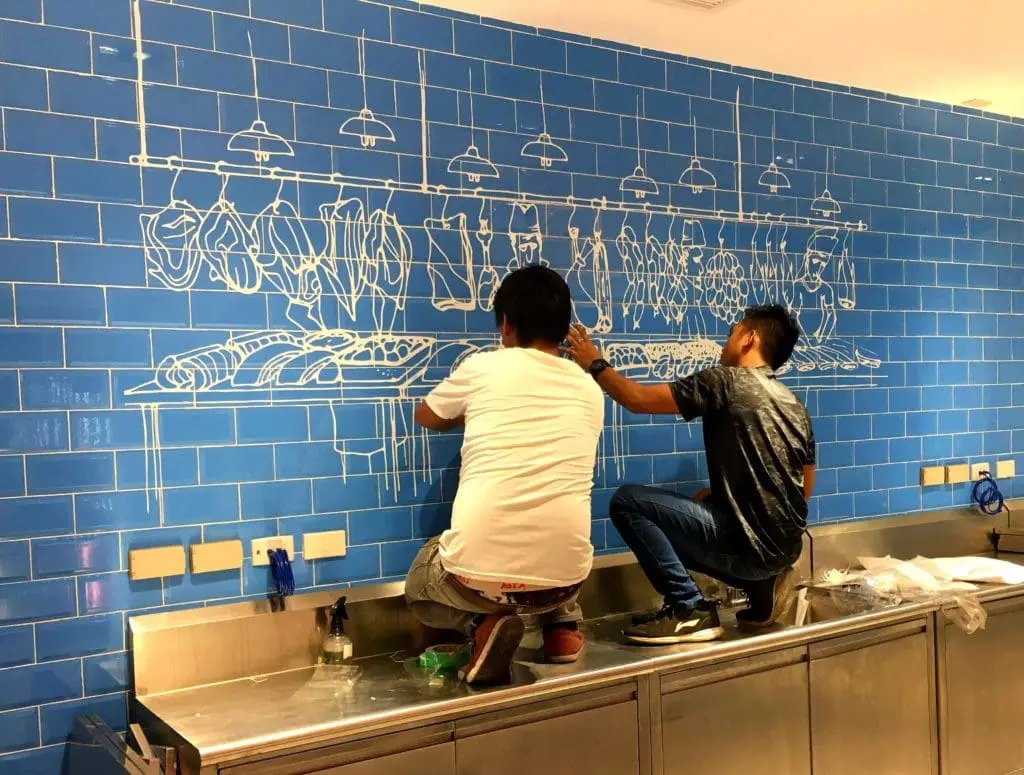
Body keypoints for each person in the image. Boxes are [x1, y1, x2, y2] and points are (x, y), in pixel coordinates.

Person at [562, 304, 814, 645]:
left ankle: (688, 608)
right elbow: (801, 489)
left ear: (749, 339)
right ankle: (762, 586)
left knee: (627, 502)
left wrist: (595, 363)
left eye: (731, 334)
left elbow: (637, 400)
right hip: (785, 551)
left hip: (747, 551)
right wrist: (726, 498)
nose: (724, 344)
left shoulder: (724, 381)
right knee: (704, 506)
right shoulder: (795, 405)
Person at [405, 265, 604, 685]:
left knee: (421, 582)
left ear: (507, 326)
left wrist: (470, 412)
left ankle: (483, 627)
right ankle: (563, 631)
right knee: (548, 510)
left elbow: (426, 414)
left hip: (476, 579)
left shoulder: (483, 368)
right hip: (565, 581)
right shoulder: (589, 388)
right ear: (564, 329)